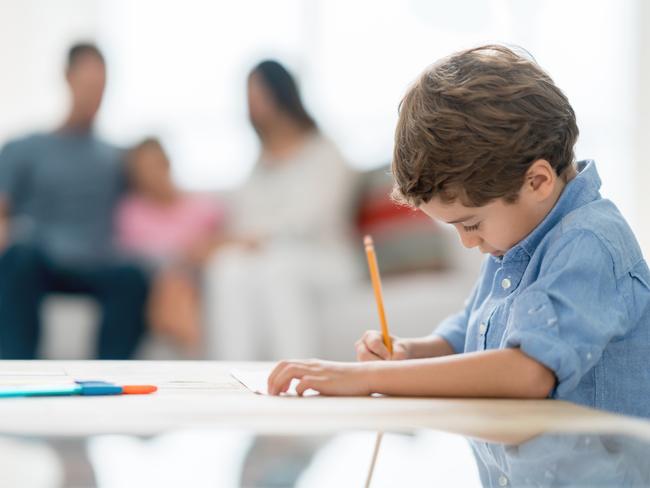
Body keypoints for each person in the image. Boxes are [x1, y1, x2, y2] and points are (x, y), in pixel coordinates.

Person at [267, 45, 650, 419]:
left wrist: (369, 377)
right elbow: (465, 339)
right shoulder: (513, 240)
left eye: (471, 223)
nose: (469, 242)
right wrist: (406, 353)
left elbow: (527, 372)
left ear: (536, 182)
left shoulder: (589, 242)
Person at [0, 43, 149, 359]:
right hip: (40, 260)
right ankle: (16, 373)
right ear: (68, 79)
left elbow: (159, 198)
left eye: (101, 86)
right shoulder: (25, 148)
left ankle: (110, 381)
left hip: (97, 262)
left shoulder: (115, 157)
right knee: (18, 256)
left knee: (133, 276)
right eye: (88, 84)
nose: (95, 95)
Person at [205, 60, 356, 360]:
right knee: (227, 266)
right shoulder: (259, 164)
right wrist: (241, 242)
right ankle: (233, 374)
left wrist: (255, 238)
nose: (251, 105)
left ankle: (296, 375)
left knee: (278, 269)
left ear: (280, 94)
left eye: (257, 94)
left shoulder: (325, 152)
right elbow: (242, 220)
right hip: (265, 257)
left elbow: (312, 218)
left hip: (325, 258)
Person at [116, 137, 225, 352]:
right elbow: (136, 253)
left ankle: (185, 341)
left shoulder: (203, 206)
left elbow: (219, 241)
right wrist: (183, 254)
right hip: (159, 278)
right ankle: (189, 344)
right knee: (174, 283)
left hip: (201, 274)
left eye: (155, 166)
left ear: (167, 164)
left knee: (181, 283)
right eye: (143, 170)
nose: (151, 176)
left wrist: (197, 252)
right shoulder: (132, 211)